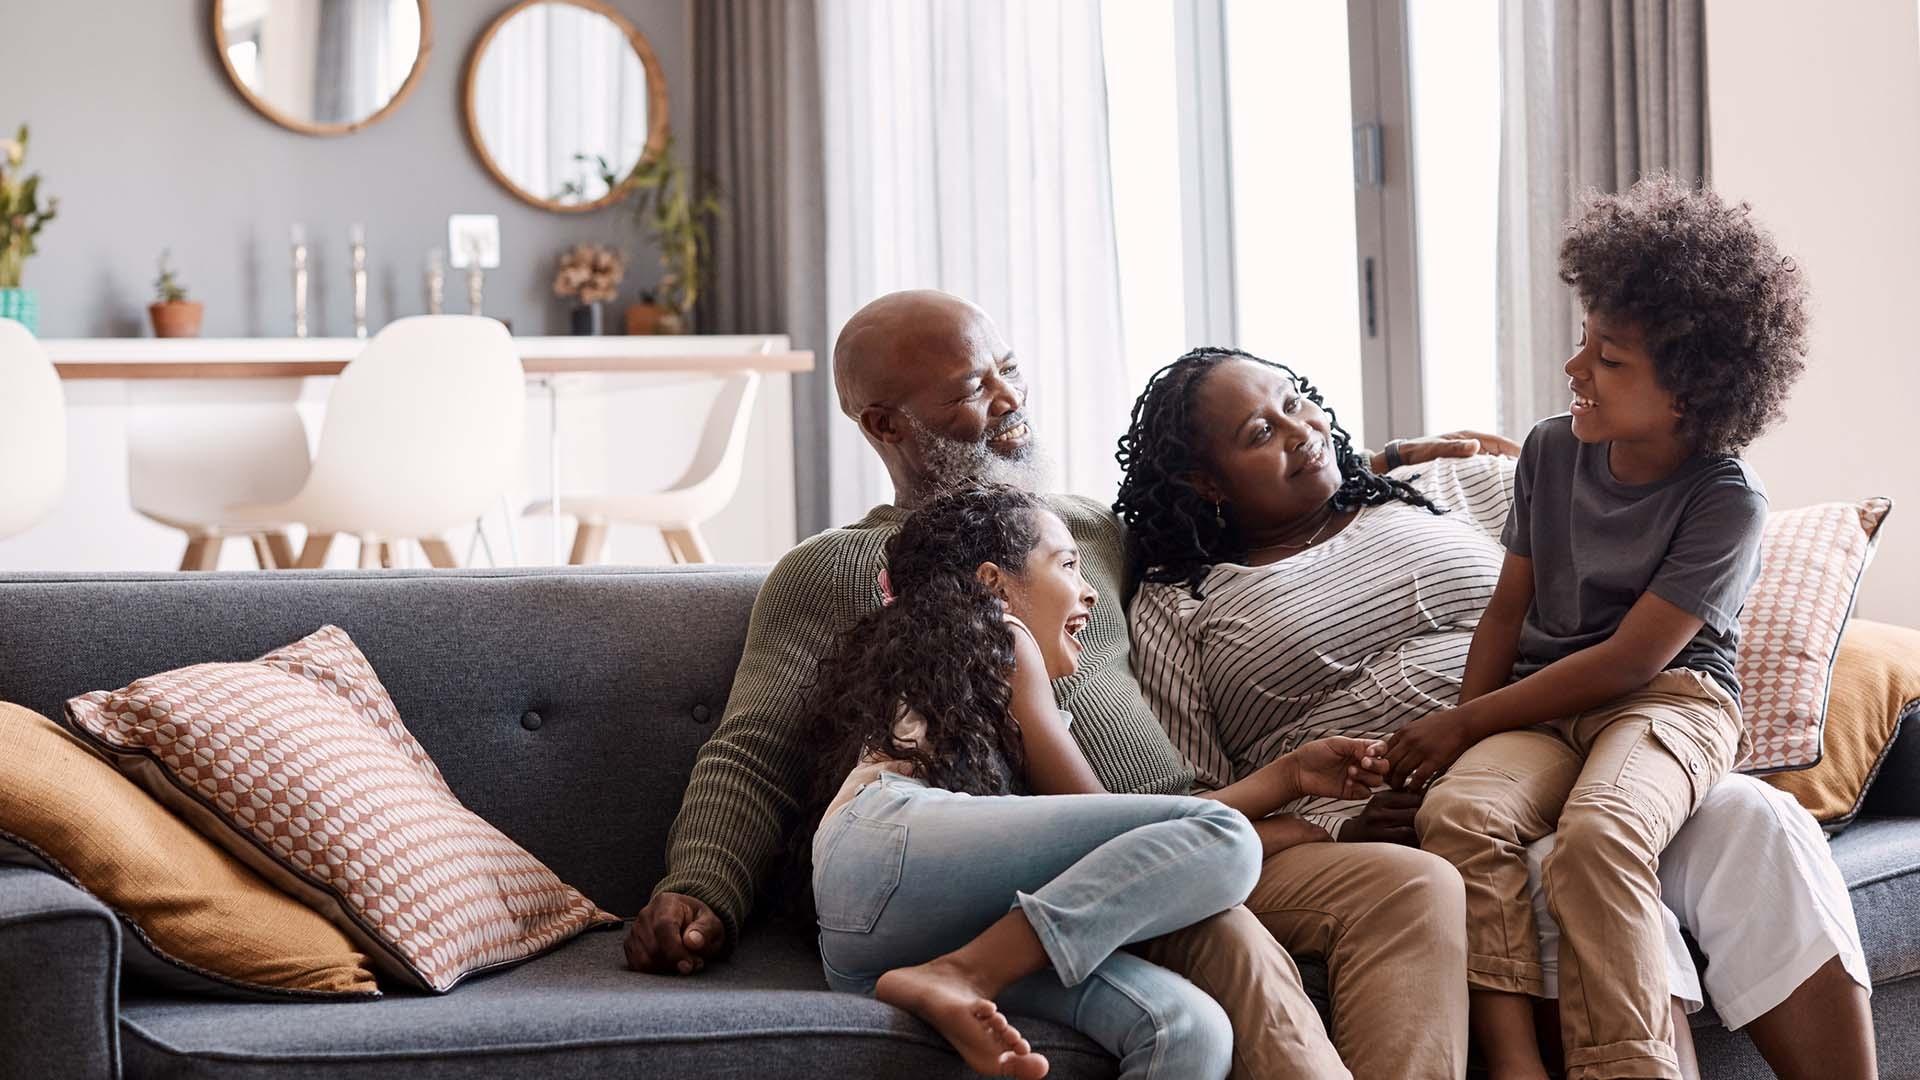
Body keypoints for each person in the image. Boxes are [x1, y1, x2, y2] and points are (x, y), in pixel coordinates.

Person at [627, 288, 1485, 1079]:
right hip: (1027, 873)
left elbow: (1212, 489)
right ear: (886, 424)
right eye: (973, 387)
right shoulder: (830, 569)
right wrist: (700, 884)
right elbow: (752, 752)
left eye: (1011, 371)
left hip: (1181, 830)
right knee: (1220, 926)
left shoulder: (1087, 529)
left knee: (1413, 886)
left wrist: (1382, 456)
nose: (1010, 401)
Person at [1117, 341, 1870, 1080]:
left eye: (1296, 402)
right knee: (1561, 877)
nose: (1300, 432)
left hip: (1589, 733)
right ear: (1202, 481)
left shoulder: (1437, 491)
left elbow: (1586, 475)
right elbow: (1195, 817)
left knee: (1756, 819)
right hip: (1430, 806)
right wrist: (1339, 825)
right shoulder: (1180, 600)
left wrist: (1396, 456)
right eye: (1260, 435)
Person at [796, 483, 1391, 1079]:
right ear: (993, 584)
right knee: (1224, 837)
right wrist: (1283, 798)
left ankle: (961, 970)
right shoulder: (1005, 637)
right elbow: (1122, 821)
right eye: (1068, 564)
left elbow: (1139, 849)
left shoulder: (965, 688)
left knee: (1185, 1028)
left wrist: (1293, 789)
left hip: (877, 945)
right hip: (885, 840)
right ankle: (965, 974)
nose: (1088, 593)